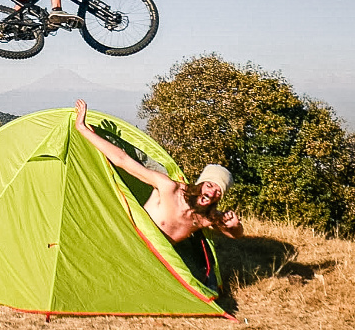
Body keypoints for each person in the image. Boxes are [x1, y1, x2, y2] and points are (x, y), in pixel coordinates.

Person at [74, 99, 244, 243]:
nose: (212, 192)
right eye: (210, 185)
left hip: (159, 264)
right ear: (200, 184)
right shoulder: (169, 188)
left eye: (218, 192)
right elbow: (123, 161)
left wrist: (235, 226)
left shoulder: (206, 216)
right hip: (132, 243)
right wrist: (82, 128)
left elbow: (234, 235)